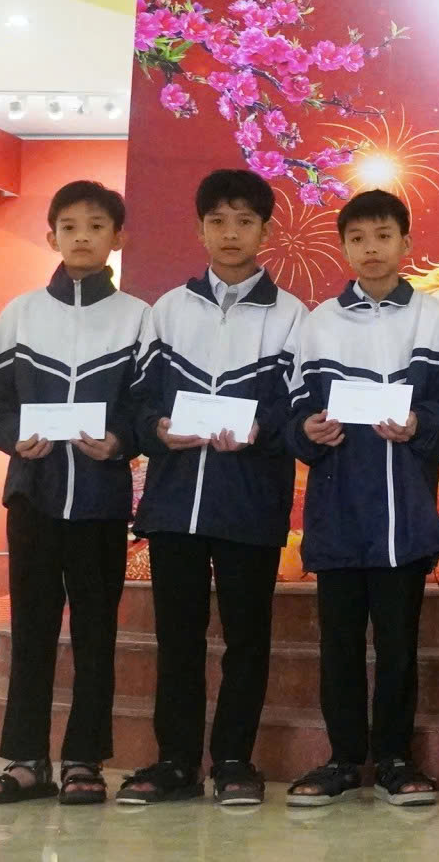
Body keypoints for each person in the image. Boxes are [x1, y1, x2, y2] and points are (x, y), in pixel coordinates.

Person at [119, 169, 307, 806]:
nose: (231, 234)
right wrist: (156, 428)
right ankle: (175, 761)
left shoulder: (291, 316)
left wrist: (260, 428)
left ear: (265, 230)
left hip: (250, 503)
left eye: (245, 221)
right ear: (200, 229)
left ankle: (233, 761)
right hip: (175, 502)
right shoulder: (167, 311)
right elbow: (139, 400)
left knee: (246, 639)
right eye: (218, 221)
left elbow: (299, 406)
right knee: (178, 638)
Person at [283, 189, 439, 807]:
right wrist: (308, 431)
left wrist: (420, 425)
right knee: (337, 646)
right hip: (337, 514)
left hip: (404, 515)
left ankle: (394, 757)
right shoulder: (319, 324)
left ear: (405, 243)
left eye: (383, 236)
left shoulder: (435, 321)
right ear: (343, 247)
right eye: (357, 238)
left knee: (397, 646)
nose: (371, 249)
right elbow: (295, 415)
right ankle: (341, 759)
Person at [0, 181, 146, 807]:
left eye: (96, 226)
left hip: (100, 502)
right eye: (69, 227)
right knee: (33, 629)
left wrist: (120, 441)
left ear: (117, 238)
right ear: (51, 236)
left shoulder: (138, 318)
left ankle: (83, 760)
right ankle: (26, 760)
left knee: (96, 634)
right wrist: (16, 439)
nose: (82, 237)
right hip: (33, 497)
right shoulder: (19, 314)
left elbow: (146, 407)